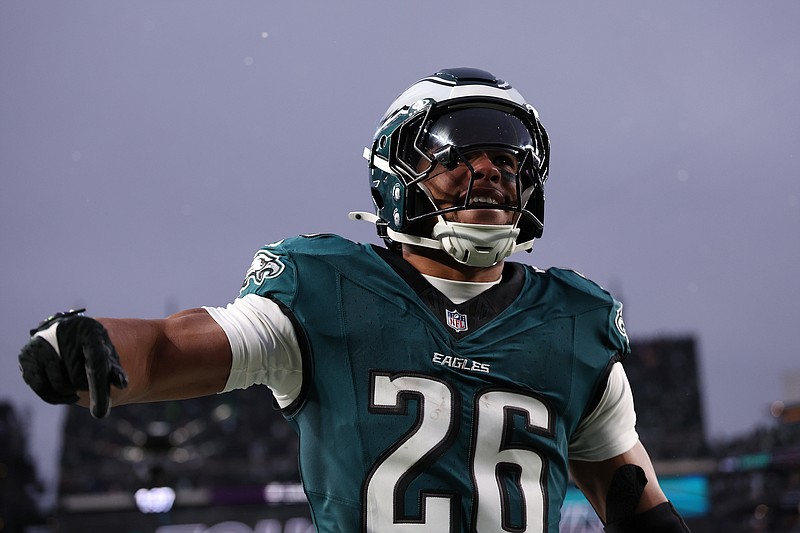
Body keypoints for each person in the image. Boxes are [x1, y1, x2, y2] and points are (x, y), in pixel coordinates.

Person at [19, 67, 690, 532]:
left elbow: (635, 501)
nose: (489, 172)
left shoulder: (572, 323)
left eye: (508, 162)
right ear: (396, 174)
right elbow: (174, 345)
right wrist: (92, 341)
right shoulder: (325, 290)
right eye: (461, 158)